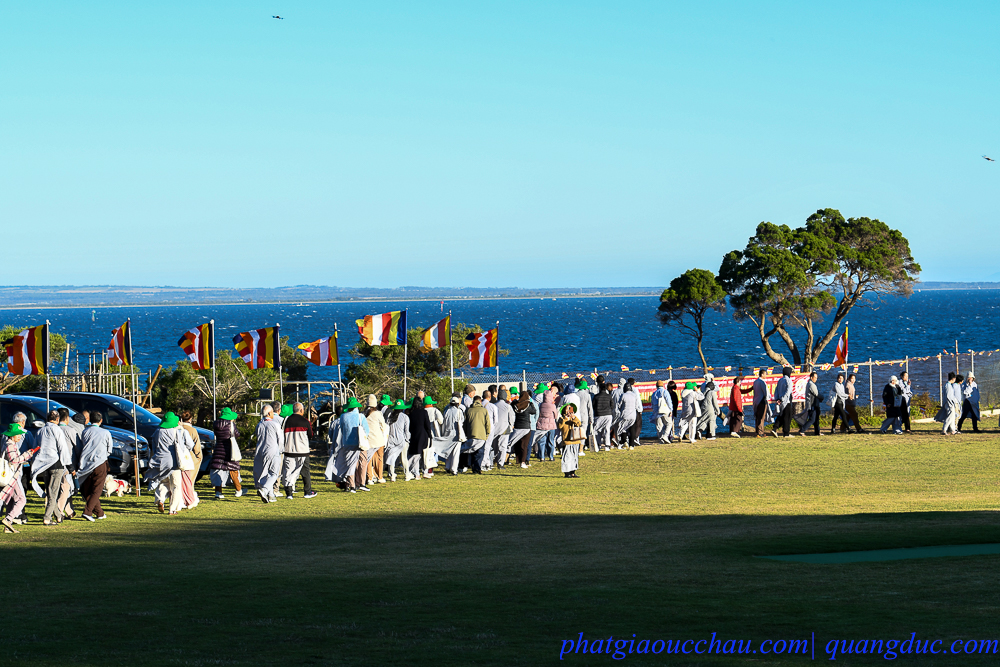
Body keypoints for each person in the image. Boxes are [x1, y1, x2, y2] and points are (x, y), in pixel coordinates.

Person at [145, 411, 195, 515]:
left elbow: (154, 447)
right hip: (174, 462)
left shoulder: (158, 431)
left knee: (163, 482)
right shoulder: (178, 431)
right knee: (176, 485)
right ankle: (172, 509)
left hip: (160, 461)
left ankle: (160, 499)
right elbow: (189, 445)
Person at [30, 410, 73, 526]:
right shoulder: (57, 430)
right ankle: (47, 518)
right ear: (57, 419)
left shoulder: (40, 431)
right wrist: (69, 465)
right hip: (56, 464)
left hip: (44, 464)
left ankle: (58, 515)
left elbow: (35, 448)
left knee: (50, 492)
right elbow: (62, 448)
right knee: (53, 492)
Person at [326, 396, 371, 492]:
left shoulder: (343, 416)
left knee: (350, 464)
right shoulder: (361, 416)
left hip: (347, 443)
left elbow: (342, 430)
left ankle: (351, 484)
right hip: (360, 443)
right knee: (362, 463)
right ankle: (362, 483)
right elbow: (366, 431)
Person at [76, 411, 114, 521]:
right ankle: (87, 511)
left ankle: (99, 513)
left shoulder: (85, 431)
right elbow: (109, 450)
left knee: (88, 489)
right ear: (101, 420)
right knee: (97, 489)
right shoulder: (105, 432)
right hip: (100, 463)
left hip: (86, 464)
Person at [0, 424, 38, 532]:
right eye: (18, 434)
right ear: (12, 435)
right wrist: (26, 455)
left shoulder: (7, 443)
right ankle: (8, 519)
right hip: (11, 477)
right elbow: (14, 460)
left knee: (11, 501)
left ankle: (7, 526)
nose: (20, 436)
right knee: (21, 499)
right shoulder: (10, 445)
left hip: (10, 476)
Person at [281, 403, 317, 499]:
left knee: (288, 471)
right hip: (302, 450)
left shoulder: (286, 421)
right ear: (301, 410)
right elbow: (310, 435)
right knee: (305, 472)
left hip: (289, 449)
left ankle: (289, 493)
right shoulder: (305, 421)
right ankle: (307, 492)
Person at [210, 407, 244, 499]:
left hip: (218, 448)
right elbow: (236, 434)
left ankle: (218, 492)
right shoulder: (230, 424)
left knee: (217, 469)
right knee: (233, 469)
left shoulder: (215, 424)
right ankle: (238, 489)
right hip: (229, 449)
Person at [253, 404, 283, 503]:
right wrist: (281, 450)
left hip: (261, 450)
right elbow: (280, 439)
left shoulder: (259, 424)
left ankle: (270, 495)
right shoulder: (275, 424)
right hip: (273, 450)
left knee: (266, 473)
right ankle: (265, 490)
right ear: (269, 413)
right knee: (274, 473)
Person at [177, 411, 201, 509]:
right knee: (189, 481)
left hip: (177, 457)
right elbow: (196, 446)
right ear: (190, 419)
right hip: (189, 457)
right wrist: (199, 457)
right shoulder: (192, 430)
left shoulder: (177, 428)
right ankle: (190, 499)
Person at [436, 395, 466, 475]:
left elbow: (443, 422)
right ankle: (454, 469)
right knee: (455, 452)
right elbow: (462, 421)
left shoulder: (446, 411)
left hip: (447, 432)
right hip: (456, 433)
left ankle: (447, 466)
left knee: (448, 450)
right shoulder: (459, 411)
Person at [464, 395, 491, 474]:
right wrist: (487, 433)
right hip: (481, 435)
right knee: (480, 452)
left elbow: (465, 423)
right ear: (480, 401)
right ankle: (477, 467)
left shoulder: (468, 410)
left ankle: (473, 467)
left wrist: (466, 433)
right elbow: (487, 424)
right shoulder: (484, 410)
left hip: (471, 434)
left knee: (472, 451)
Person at [384, 400, 411, 481]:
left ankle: (392, 475)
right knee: (404, 458)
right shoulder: (405, 417)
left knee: (391, 457)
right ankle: (407, 474)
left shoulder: (390, 416)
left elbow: (387, 427)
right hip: (401, 440)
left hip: (391, 440)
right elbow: (406, 431)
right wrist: (407, 440)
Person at [365, 395, 389, 483]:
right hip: (378, 439)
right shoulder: (378, 413)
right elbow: (383, 426)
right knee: (379, 459)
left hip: (368, 440)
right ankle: (380, 477)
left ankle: (370, 478)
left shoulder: (364, 413)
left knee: (369, 459)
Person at [510, 388, 536, 467]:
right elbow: (534, 411)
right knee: (524, 445)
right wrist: (531, 403)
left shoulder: (516, 405)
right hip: (526, 427)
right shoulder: (528, 405)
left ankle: (518, 459)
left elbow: (512, 405)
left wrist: (515, 401)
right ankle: (523, 462)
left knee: (518, 444)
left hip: (517, 426)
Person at [557, 404, 582, 478]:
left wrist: (573, 418)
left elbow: (579, 424)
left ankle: (573, 472)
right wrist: (565, 418)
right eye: (567, 408)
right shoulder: (561, 418)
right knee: (567, 457)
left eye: (570, 409)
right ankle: (567, 472)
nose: (569, 410)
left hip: (575, 440)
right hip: (567, 440)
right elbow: (560, 426)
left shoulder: (574, 418)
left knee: (574, 457)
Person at [535, 386, 559, 460]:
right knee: (551, 441)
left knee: (542, 441)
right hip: (551, 425)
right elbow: (555, 416)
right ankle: (551, 456)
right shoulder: (553, 405)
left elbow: (538, 414)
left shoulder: (541, 405)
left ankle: (542, 456)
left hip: (542, 424)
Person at [492, 389, 515, 468]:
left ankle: (492, 460)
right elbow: (512, 418)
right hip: (505, 429)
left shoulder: (494, 405)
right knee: (503, 446)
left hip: (494, 429)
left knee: (494, 446)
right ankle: (501, 463)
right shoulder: (508, 406)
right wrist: (511, 425)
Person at [796, 372, 822, 437]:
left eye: (816, 378)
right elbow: (816, 394)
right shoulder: (811, 384)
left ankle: (817, 432)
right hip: (812, 405)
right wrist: (822, 397)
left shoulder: (810, 384)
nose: (816, 379)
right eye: (815, 377)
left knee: (816, 419)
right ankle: (802, 430)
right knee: (812, 419)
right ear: (811, 377)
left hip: (814, 404)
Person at [771, 367, 794, 438]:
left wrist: (778, 399)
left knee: (781, 416)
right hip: (786, 401)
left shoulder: (780, 380)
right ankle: (786, 433)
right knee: (788, 417)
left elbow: (776, 390)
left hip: (780, 401)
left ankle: (774, 429)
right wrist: (783, 399)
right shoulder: (788, 380)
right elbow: (788, 391)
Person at [480, 390, 500, 471]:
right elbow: (496, 420)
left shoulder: (480, 405)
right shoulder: (492, 406)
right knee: (487, 446)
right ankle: (484, 463)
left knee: (482, 446)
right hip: (490, 428)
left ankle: (487, 462)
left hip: (481, 427)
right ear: (490, 397)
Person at [592, 380, 614, 450]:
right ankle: (607, 445)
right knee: (607, 430)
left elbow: (593, 406)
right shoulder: (609, 396)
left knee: (597, 430)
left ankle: (598, 444)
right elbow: (612, 406)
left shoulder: (596, 396)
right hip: (608, 415)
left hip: (599, 415)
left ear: (600, 388)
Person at [697, 374, 720, 441]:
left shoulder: (703, 390)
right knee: (712, 420)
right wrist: (718, 410)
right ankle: (711, 435)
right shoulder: (712, 392)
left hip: (703, 408)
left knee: (705, 420)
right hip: (710, 408)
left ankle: (700, 430)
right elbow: (715, 403)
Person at [752, 370, 770, 437]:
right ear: (762, 374)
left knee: (757, 417)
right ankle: (760, 432)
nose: (766, 375)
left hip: (756, 400)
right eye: (765, 374)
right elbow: (765, 392)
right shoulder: (762, 382)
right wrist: (767, 399)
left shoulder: (755, 382)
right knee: (761, 417)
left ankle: (757, 431)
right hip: (761, 401)